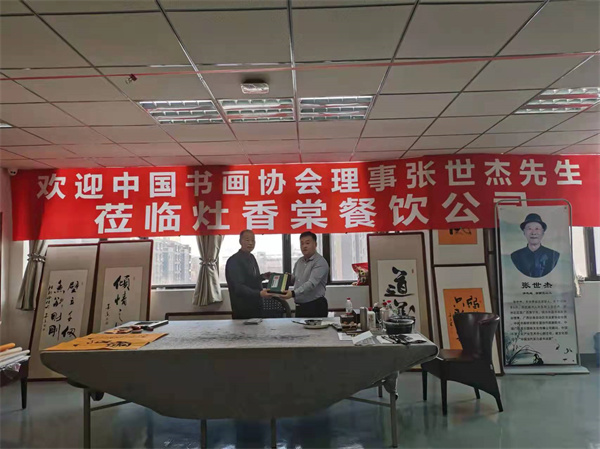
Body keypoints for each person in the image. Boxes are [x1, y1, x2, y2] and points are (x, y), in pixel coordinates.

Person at [277, 231, 329, 318]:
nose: (304, 246)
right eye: (302, 243)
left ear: (315, 244)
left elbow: (311, 284)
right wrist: (285, 278)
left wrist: (293, 293)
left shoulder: (320, 262)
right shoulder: (299, 261)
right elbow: (295, 279)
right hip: (300, 306)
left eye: (307, 243)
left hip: (315, 306)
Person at [225, 230, 271, 319]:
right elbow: (239, 287)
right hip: (243, 308)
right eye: (247, 240)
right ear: (240, 241)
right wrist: (259, 293)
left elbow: (251, 280)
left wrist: (263, 277)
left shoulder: (251, 257)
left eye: (253, 240)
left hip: (257, 306)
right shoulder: (234, 260)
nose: (250, 243)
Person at [510, 213, 560, 278]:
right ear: (524, 232)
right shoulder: (516, 256)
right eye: (529, 229)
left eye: (537, 229)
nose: (533, 233)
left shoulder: (553, 255)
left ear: (543, 232)